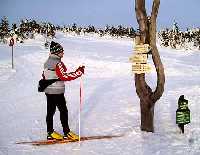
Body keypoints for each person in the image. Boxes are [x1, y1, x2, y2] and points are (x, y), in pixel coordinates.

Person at [42, 41, 85, 140]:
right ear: (57, 52)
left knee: (50, 111)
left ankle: (50, 132)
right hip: (57, 92)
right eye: (62, 51)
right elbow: (64, 76)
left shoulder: (47, 62)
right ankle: (67, 132)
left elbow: (44, 75)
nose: (63, 53)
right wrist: (78, 73)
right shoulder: (58, 63)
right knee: (63, 111)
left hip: (48, 91)